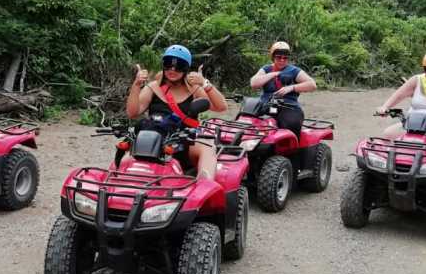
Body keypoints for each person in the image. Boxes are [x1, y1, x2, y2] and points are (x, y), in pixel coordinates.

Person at [126, 44, 227, 180]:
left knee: (208, 148)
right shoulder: (153, 87)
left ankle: (205, 183)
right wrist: (136, 85)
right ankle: (117, 182)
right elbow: (132, 112)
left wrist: (204, 83)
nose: (172, 69)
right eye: (168, 64)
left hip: (185, 141)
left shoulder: (194, 89)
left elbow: (221, 107)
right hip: (154, 138)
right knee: (126, 151)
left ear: (186, 68)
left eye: (178, 65)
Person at [249, 41, 317, 135]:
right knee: (245, 118)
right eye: (279, 57)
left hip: (288, 106)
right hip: (266, 104)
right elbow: (254, 83)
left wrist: (291, 88)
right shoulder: (266, 69)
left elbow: (312, 85)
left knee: (292, 124)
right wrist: (274, 74)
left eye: (285, 58)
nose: (282, 60)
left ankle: (292, 148)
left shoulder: (294, 70)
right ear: (273, 57)